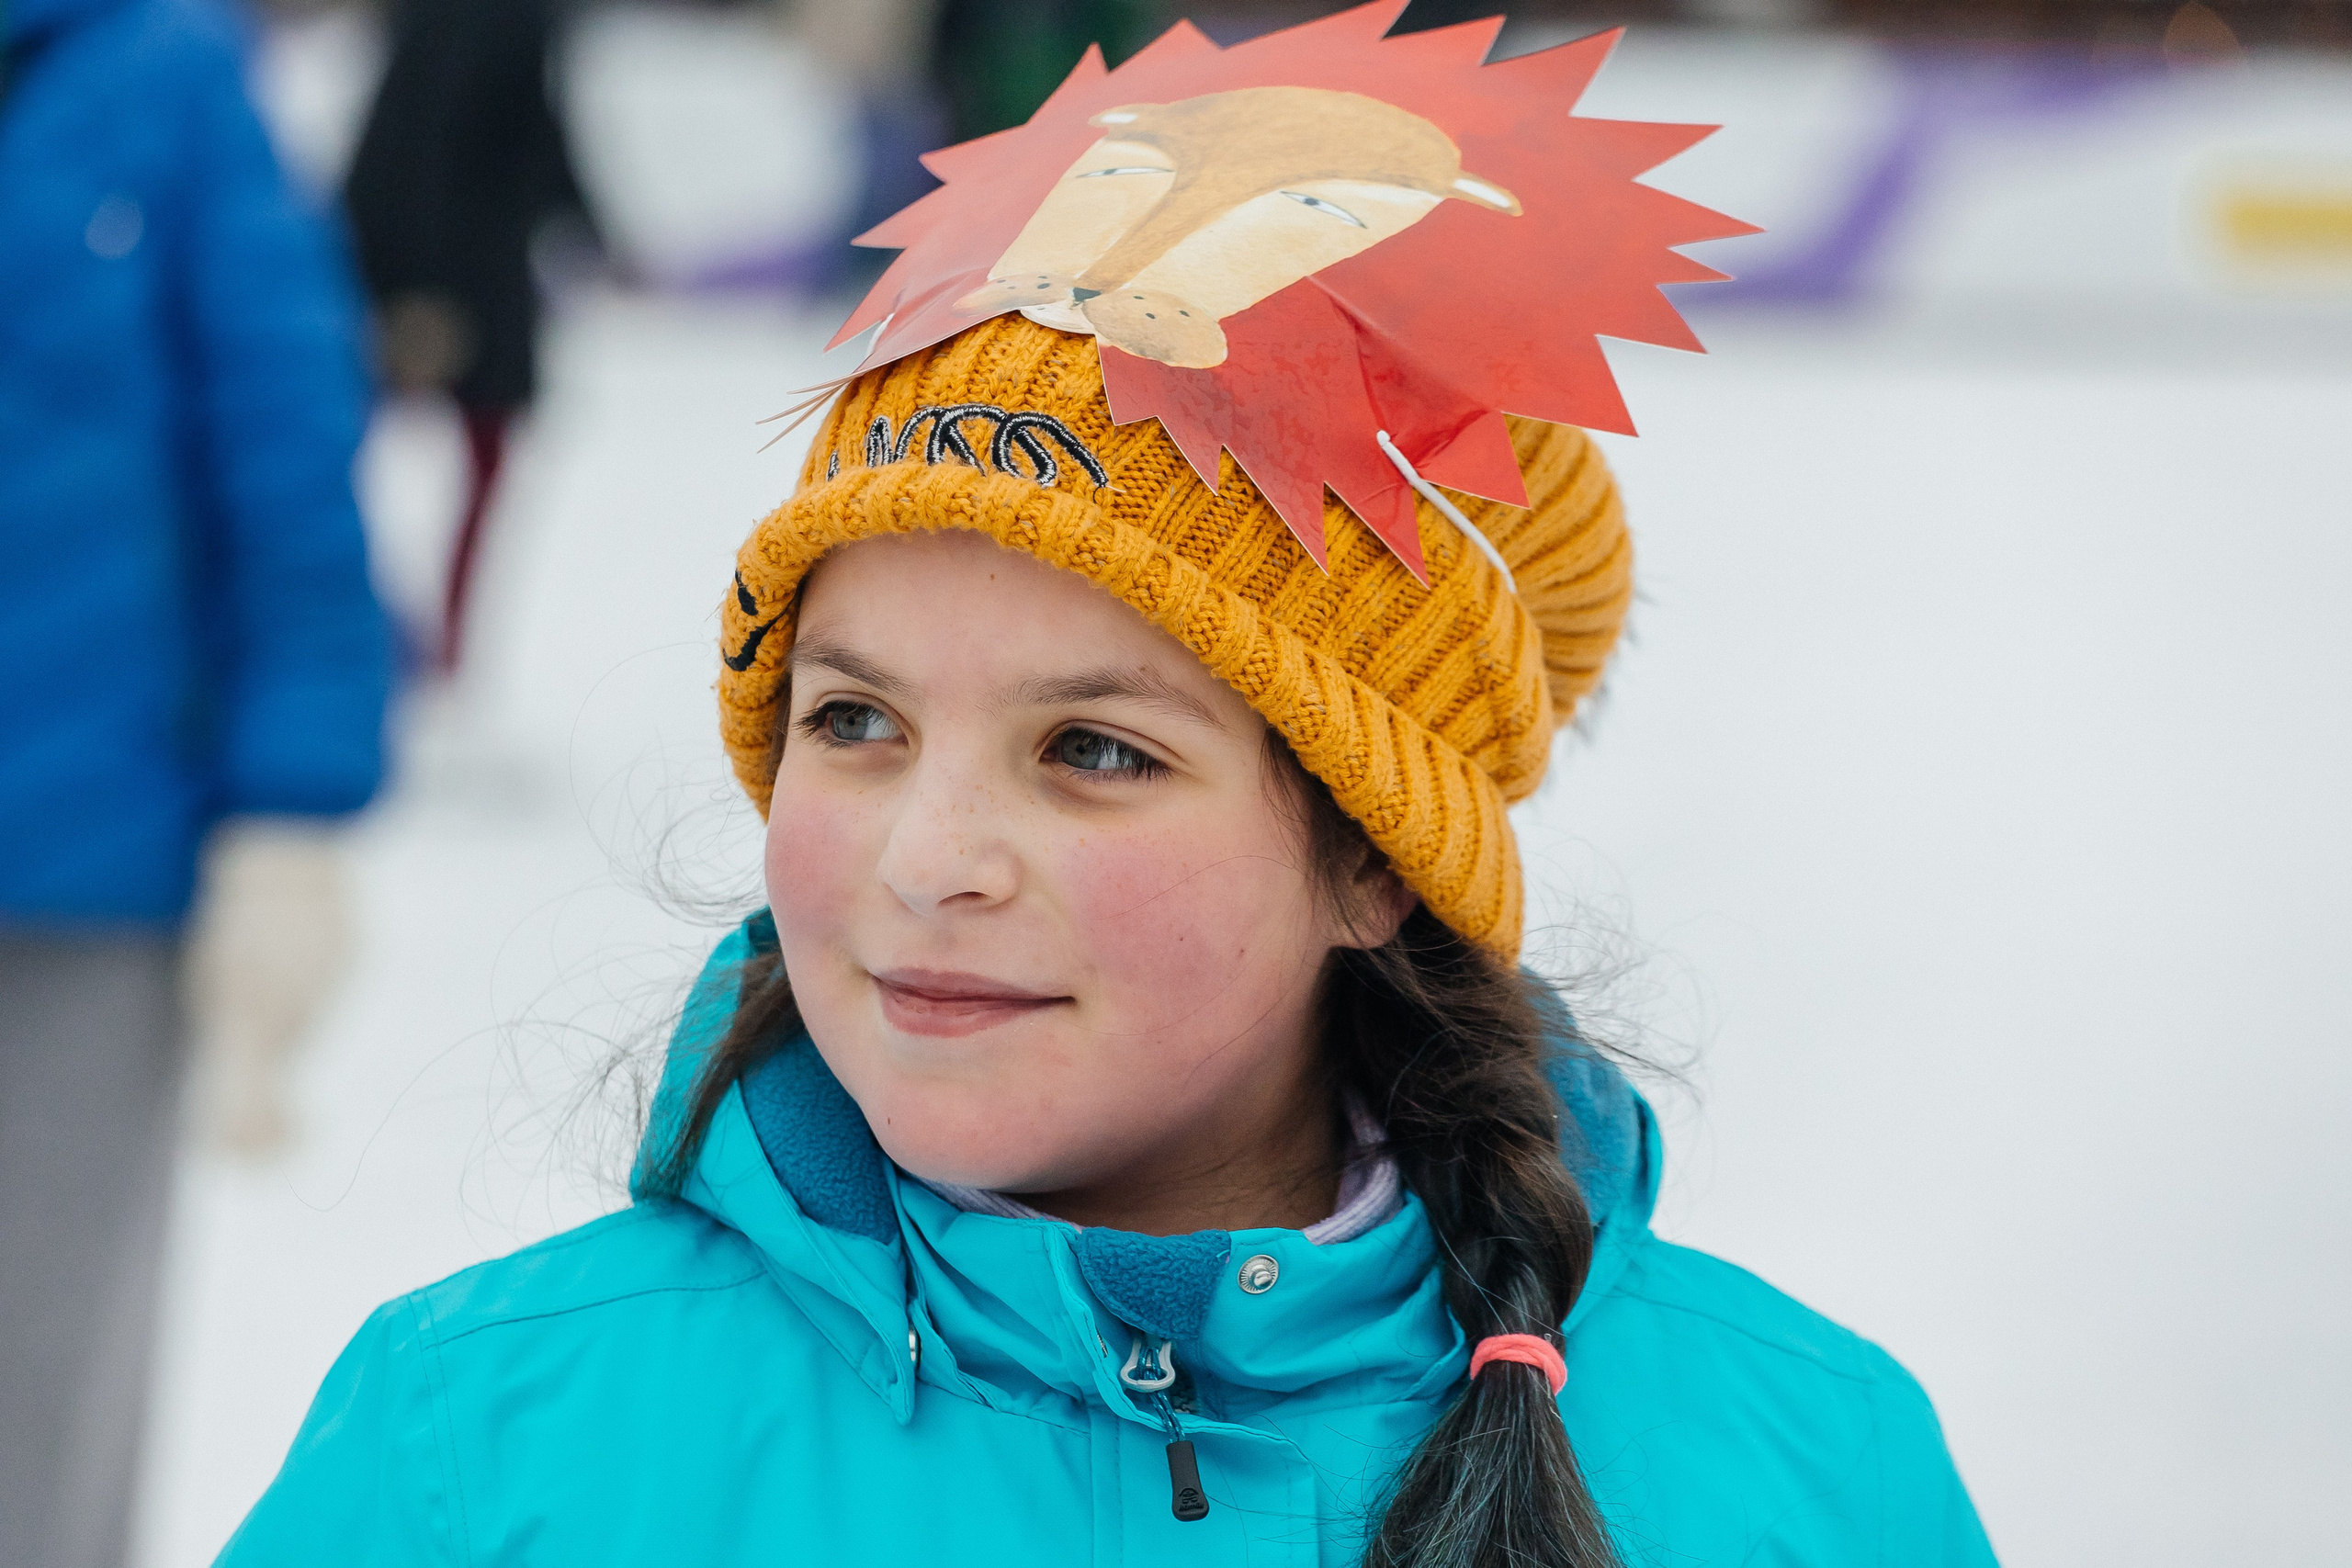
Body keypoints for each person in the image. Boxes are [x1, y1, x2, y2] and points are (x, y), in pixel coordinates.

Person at [217, 16, 1996, 1562]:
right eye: (853, 723)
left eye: (1092, 750)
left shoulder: (1803, 1475)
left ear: (1370, 858)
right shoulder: (479, 1449)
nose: (928, 857)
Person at [0, 0, 393, 1562]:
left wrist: (292, 809)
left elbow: (287, 444)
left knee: (34, 1380)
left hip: (86, 866)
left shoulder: (159, 78)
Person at [343, 0, 594, 676]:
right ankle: (427, 643)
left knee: (381, 453)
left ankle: (421, 640)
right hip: (461, 275)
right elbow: (485, 133)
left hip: (413, 261)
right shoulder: (508, 20)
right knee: (466, 457)